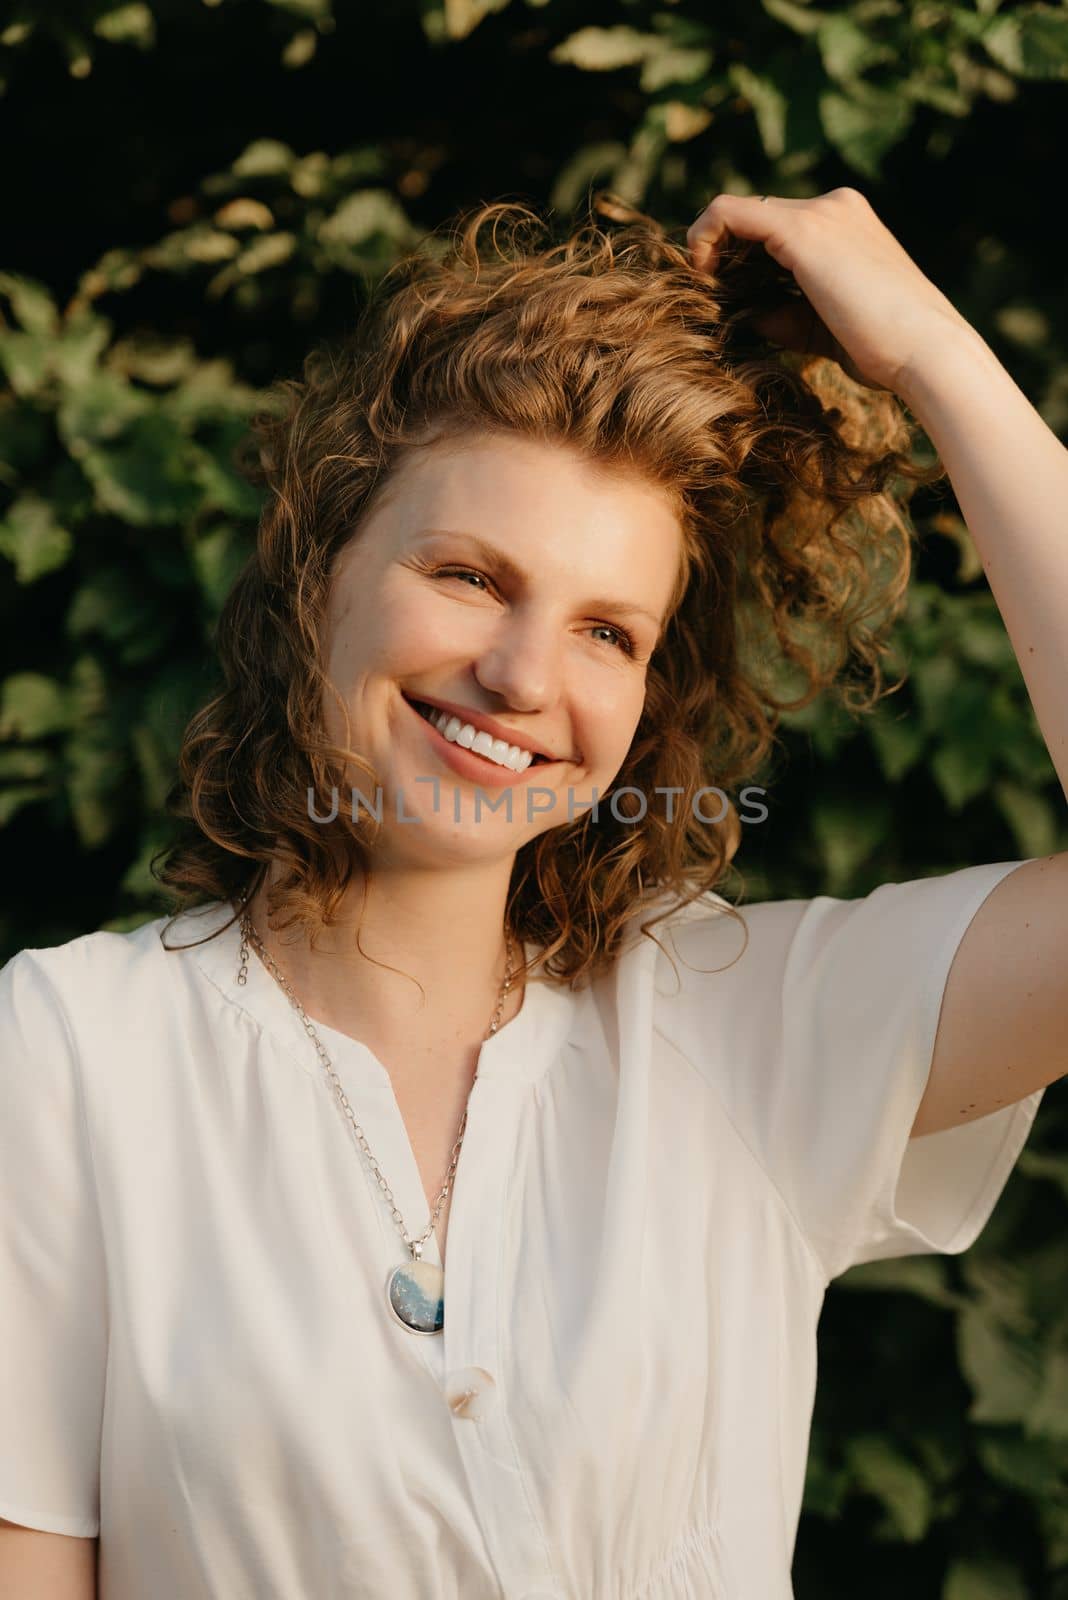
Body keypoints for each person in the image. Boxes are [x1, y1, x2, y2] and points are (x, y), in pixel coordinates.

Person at [2, 190, 1065, 1600]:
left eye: (604, 633)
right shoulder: (67, 1050)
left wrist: (935, 353)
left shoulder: (759, 1032)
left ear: (646, 695)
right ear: (317, 574)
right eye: (465, 575)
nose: (522, 676)